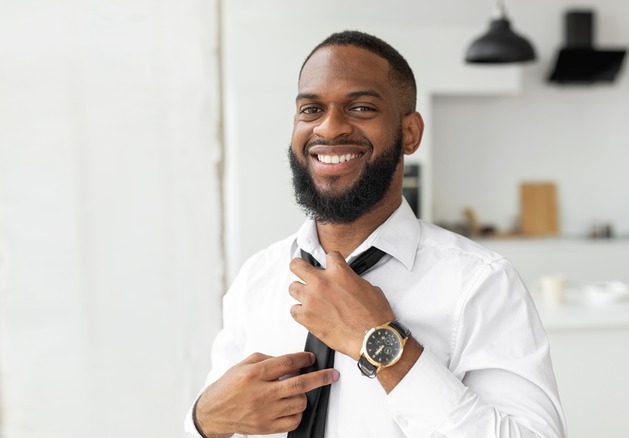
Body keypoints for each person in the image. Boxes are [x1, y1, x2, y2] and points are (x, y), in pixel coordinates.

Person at [184, 30, 566, 438]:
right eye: (311, 109)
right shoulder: (256, 278)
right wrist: (201, 422)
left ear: (411, 133)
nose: (329, 129)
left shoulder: (480, 283)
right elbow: (224, 418)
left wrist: (382, 343)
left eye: (361, 107)